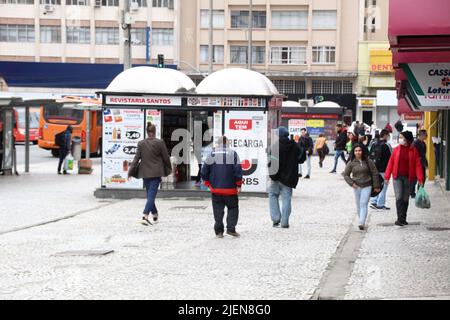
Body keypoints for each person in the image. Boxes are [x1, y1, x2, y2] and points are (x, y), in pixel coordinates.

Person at [128, 123, 172, 226]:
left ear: (147, 133)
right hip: (156, 173)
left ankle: (155, 214)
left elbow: (136, 159)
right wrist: (169, 169)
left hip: (145, 174)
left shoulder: (141, 143)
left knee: (150, 195)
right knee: (151, 196)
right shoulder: (160, 143)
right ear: (155, 132)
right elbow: (166, 157)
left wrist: (130, 171)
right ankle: (145, 216)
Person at [201, 136, 243, 238]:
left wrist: (207, 183)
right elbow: (237, 169)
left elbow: (204, 170)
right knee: (233, 208)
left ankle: (219, 232)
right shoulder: (233, 153)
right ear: (227, 143)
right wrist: (238, 184)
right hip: (231, 189)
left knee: (218, 210)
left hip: (216, 189)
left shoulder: (212, 154)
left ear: (218, 144)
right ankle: (231, 229)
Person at [385, 131, 424, 226]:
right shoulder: (396, 149)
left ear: (407, 139)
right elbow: (391, 163)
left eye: (402, 137)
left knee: (405, 198)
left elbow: (417, 165)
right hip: (397, 177)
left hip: (409, 178)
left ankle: (403, 218)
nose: (400, 139)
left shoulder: (413, 150)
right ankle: (400, 219)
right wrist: (387, 176)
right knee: (398, 197)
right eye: (400, 137)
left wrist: (420, 178)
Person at [268, 126, 302, 228]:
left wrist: (272, 176)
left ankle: (275, 218)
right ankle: (284, 222)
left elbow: (271, 163)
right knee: (286, 199)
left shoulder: (275, 146)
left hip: (276, 178)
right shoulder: (295, 146)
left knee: (273, 196)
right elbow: (302, 158)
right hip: (289, 179)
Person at [343, 143, 381, 230]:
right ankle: (361, 220)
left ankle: (361, 222)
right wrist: (351, 183)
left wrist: (376, 186)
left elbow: (375, 173)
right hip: (356, 186)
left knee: (363, 203)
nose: (358, 152)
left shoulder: (369, 161)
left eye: (359, 150)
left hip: (367, 185)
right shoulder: (351, 163)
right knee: (358, 204)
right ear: (354, 152)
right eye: (356, 151)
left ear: (362, 151)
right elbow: (346, 175)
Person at [369, 129, 393, 210]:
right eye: (388, 135)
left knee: (375, 185)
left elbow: (369, 156)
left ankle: (373, 201)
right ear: (385, 135)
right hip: (384, 170)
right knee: (383, 187)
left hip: (374, 169)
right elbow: (391, 158)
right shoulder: (386, 145)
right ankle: (380, 204)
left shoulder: (373, 143)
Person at [411, 129, 428, 198]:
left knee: (423, 178)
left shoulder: (423, 143)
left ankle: (419, 192)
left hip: (422, 164)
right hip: (416, 164)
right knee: (414, 179)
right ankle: (412, 193)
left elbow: (423, 154)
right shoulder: (415, 143)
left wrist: (426, 163)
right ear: (422, 135)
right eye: (426, 135)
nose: (426, 136)